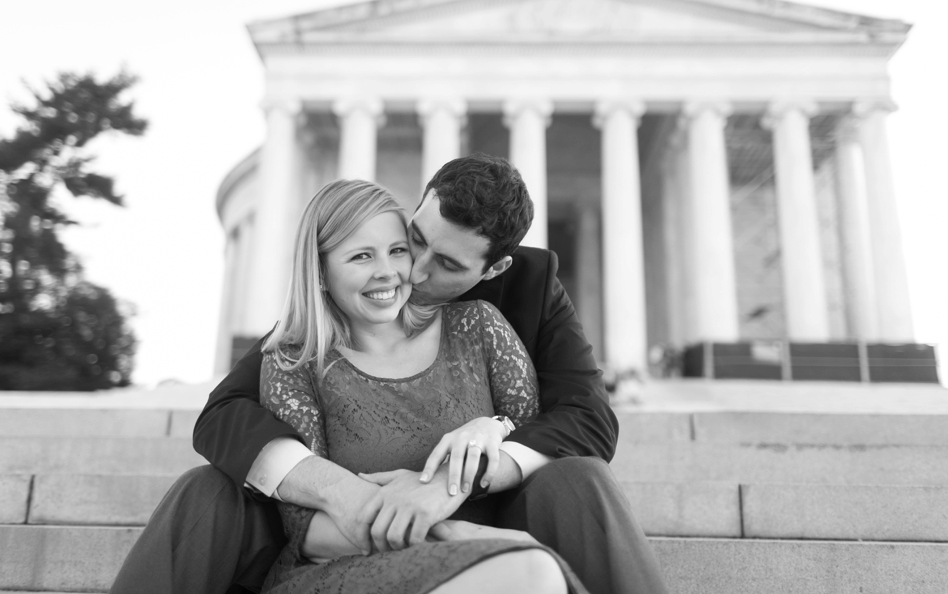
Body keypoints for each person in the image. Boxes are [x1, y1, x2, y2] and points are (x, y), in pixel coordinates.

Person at [109, 153, 668, 594]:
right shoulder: (313, 338)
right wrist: (343, 492)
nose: (411, 273)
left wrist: (470, 463)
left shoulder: (504, 305)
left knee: (581, 477)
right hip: (353, 539)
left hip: (499, 516)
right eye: (414, 241)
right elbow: (225, 415)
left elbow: (587, 420)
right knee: (206, 487)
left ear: (494, 268)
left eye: (446, 264)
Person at [255, 178, 584, 593]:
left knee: (530, 570)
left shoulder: (478, 327)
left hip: (486, 568)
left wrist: (493, 425)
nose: (387, 271)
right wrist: (470, 539)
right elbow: (302, 524)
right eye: (360, 256)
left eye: (396, 250)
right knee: (530, 571)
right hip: (344, 570)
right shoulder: (293, 362)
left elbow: (536, 437)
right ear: (320, 272)